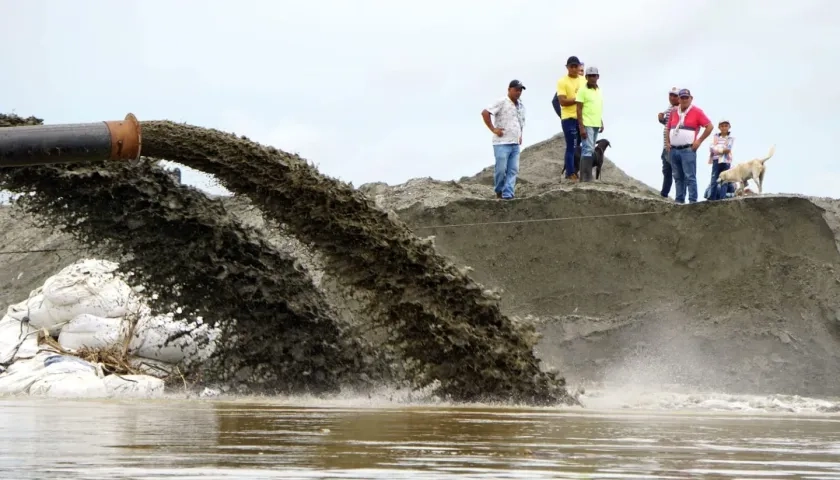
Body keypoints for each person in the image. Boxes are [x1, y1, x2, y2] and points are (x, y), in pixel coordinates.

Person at [665, 88, 713, 204]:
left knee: (689, 176)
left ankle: (692, 201)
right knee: (677, 177)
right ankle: (679, 200)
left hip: (687, 149)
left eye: (687, 97)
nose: (684, 100)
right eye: (682, 97)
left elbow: (709, 126)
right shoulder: (674, 112)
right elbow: (668, 128)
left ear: (691, 98)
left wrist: (699, 141)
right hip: (674, 149)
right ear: (679, 99)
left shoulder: (697, 111)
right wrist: (667, 142)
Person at [481, 79, 526, 200]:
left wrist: (520, 135)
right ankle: (499, 190)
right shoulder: (502, 101)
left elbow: (520, 121)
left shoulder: (520, 105)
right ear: (509, 89)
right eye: (516, 89)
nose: (518, 92)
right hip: (502, 142)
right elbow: (485, 112)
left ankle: (508, 194)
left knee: (513, 170)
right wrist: (493, 129)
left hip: (515, 143)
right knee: (501, 169)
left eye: (520, 90)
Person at [557, 56, 586, 181]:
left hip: (582, 119)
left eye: (576, 66)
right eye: (571, 66)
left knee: (580, 146)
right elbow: (562, 101)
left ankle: (578, 171)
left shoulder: (584, 80)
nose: (574, 69)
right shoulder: (562, 81)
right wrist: (577, 99)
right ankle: (570, 172)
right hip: (569, 118)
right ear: (567, 67)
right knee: (571, 146)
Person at [575, 66, 604, 182]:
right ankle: (586, 178)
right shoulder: (582, 90)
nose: (592, 78)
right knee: (587, 148)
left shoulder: (599, 90)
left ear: (598, 77)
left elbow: (597, 107)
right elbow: (578, 109)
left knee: (590, 149)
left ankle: (585, 176)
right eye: (590, 76)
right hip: (587, 123)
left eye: (594, 75)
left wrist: (601, 121)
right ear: (586, 77)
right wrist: (581, 127)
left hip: (596, 123)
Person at [657, 87, 680, 197]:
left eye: (675, 95)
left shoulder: (679, 109)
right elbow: (668, 124)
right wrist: (661, 118)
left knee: (675, 172)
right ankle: (664, 194)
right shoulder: (670, 108)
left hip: (672, 145)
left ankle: (679, 197)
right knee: (666, 171)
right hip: (666, 145)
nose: (672, 97)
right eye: (671, 95)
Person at [706, 119, 735, 200]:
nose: (724, 128)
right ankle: (712, 197)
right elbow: (711, 148)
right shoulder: (716, 137)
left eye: (726, 126)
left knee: (725, 179)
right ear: (719, 127)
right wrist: (721, 150)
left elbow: (728, 149)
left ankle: (722, 198)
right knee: (714, 178)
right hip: (716, 160)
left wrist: (718, 149)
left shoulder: (730, 138)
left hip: (726, 161)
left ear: (729, 127)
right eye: (722, 126)